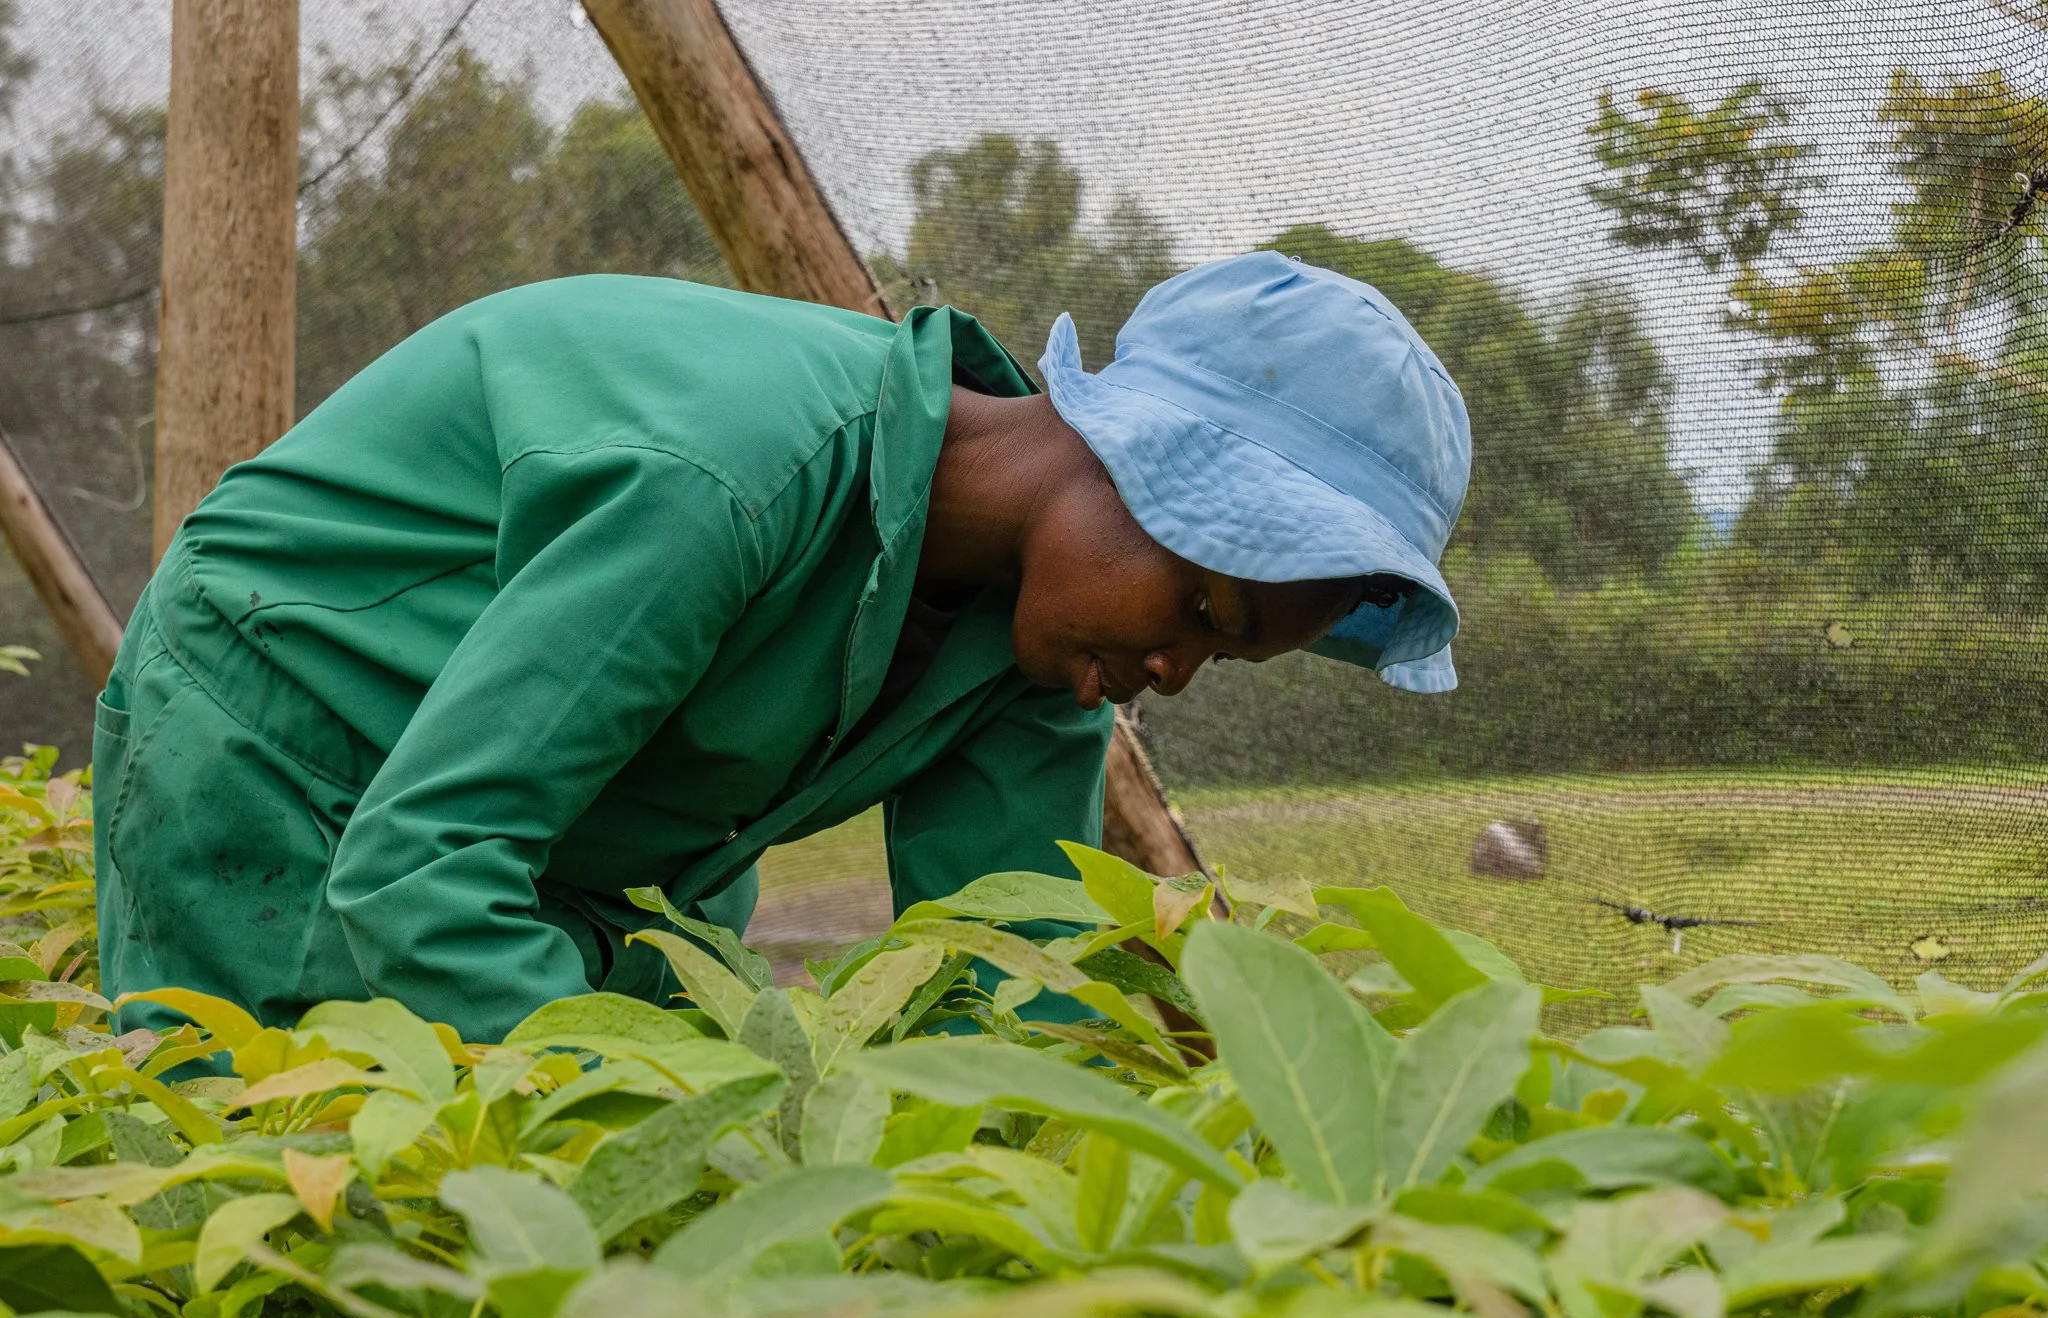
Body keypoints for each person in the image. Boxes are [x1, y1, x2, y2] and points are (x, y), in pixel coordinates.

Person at [93, 250, 1471, 1042]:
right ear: (1127, 456)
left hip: (589, 836)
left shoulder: (1034, 660)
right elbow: (423, 865)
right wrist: (697, 1121)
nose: (1173, 673)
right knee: (298, 1171)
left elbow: (1000, 986)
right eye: (1202, 611)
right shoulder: (727, 476)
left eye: (1221, 658)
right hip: (289, 736)